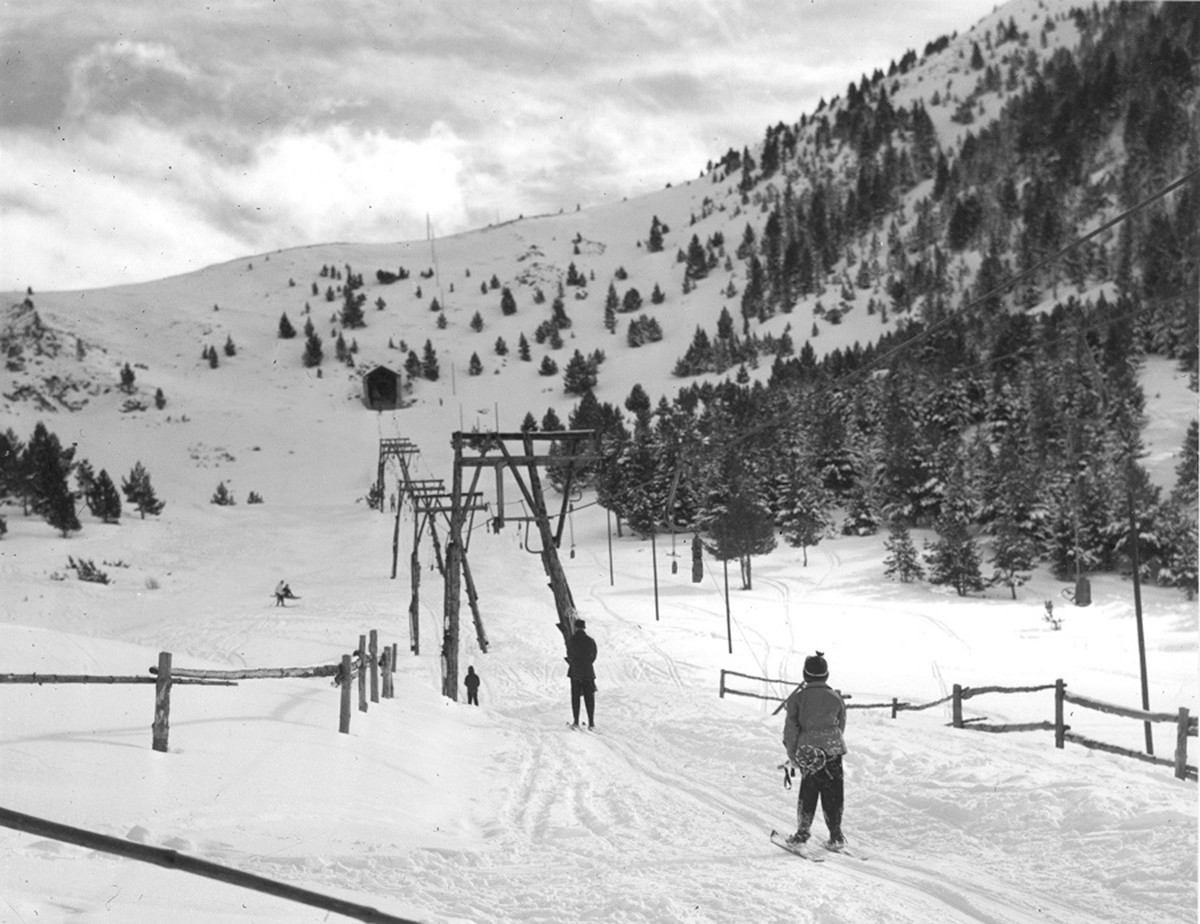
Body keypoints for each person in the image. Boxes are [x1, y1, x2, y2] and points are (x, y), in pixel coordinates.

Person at [782, 651, 847, 849]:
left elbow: (791, 730)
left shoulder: (798, 699)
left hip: (810, 754)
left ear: (805, 675)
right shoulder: (836, 698)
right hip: (833, 752)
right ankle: (836, 836)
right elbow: (841, 724)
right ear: (826, 675)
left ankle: (802, 833)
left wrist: (793, 754)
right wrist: (831, 745)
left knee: (809, 792)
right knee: (834, 793)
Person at [565, 618, 597, 729]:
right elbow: (594, 656)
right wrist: (587, 664)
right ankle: (591, 723)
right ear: (584, 627)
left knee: (575, 697)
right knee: (589, 698)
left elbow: (570, 655)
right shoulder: (591, 641)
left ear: (575, 627)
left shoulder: (572, 640)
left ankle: (576, 721)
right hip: (588, 672)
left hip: (575, 672)